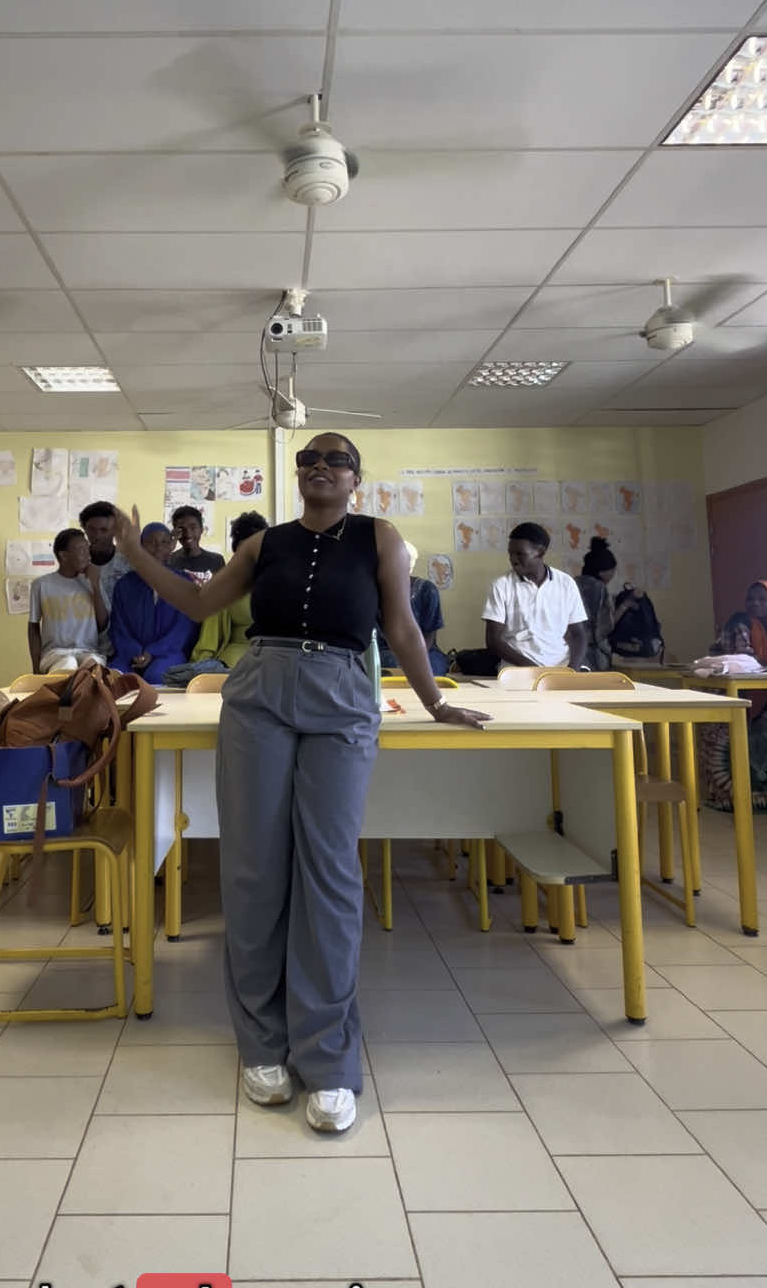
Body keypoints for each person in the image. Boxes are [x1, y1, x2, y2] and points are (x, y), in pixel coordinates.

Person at [109, 434, 489, 1134]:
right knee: (254, 869)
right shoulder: (265, 545)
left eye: (335, 458)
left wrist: (436, 701)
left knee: (330, 872)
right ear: (297, 474)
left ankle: (330, 1054)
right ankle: (261, 1042)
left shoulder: (380, 537)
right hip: (259, 692)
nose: (320, 465)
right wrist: (135, 554)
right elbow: (198, 605)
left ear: (354, 478)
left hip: (344, 696)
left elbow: (401, 627)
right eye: (309, 457)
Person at [162, 511, 269, 687]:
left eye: (256, 550)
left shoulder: (281, 582)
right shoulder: (226, 586)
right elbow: (210, 636)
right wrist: (198, 666)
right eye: (243, 551)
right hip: (232, 658)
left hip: (273, 657)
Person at [700, 580, 767, 814]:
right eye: (751, 599)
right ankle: (727, 798)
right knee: (722, 745)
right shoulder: (740, 623)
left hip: (764, 695)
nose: (755, 604)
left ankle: (763, 798)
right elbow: (747, 660)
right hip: (729, 692)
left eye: (763, 600)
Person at [483, 521, 588, 670]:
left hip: (561, 667)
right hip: (518, 669)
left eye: (520, 554)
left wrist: (572, 669)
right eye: (510, 553)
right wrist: (533, 669)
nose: (513, 560)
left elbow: (579, 635)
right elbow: (493, 641)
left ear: (540, 552)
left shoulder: (566, 583)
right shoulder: (501, 586)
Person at [108, 523, 200, 685]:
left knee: (157, 676)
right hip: (130, 653)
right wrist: (135, 652)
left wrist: (152, 652)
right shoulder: (125, 585)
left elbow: (183, 629)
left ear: (171, 547)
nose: (158, 547)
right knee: (115, 677)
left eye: (164, 542)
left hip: (168, 653)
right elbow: (119, 627)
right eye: (151, 542)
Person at [27, 528, 106, 674]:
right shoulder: (41, 585)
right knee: (68, 663)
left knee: (93, 665)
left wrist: (95, 586)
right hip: (54, 654)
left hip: (88, 651)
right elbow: (33, 628)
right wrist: (35, 667)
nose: (88, 555)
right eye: (81, 551)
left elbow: (102, 624)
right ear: (64, 556)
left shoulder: (92, 582)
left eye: (87, 549)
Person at [376, 540, 450, 675]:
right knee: (386, 664)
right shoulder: (373, 591)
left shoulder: (427, 590)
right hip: (384, 651)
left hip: (423, 650)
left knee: (432, 668)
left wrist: (413, 658)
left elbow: (429, 637)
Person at [575, 536, 645, 671]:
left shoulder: (573, 583)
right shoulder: (599, 589)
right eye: (612, 570)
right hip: (593, 656)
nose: (613, 574)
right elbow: (605, 626)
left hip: (572, 652)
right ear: (602, 572)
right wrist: (625, 605)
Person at [79, 500, 132, 613]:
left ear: (115, 531)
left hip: (120, 627)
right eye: (92, 529)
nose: (97, 536)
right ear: (84, 528)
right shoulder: (76, 562)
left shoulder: (128, 561)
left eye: (104, 530)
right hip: (85, 626)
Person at [168, 505, 226, 583]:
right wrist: (168, 549)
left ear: (201, 529)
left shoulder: (217, 561)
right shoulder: (169, 561)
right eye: (181, 529)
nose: (188, 534)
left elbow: (223, 591)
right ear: (175, 532)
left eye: (193, 527)